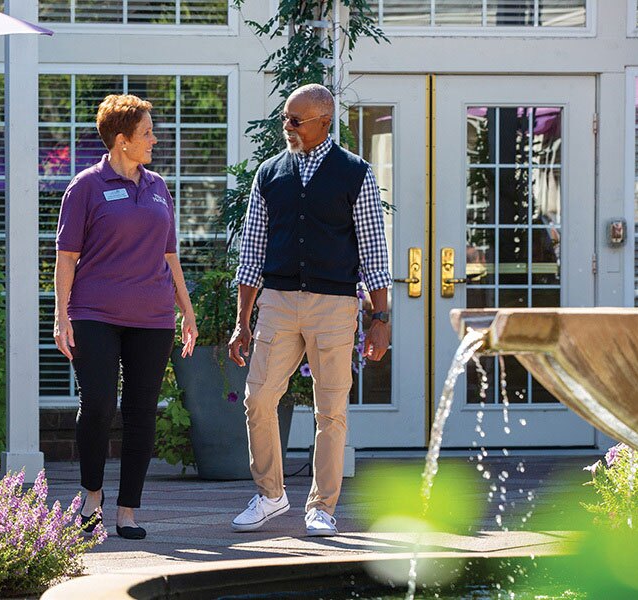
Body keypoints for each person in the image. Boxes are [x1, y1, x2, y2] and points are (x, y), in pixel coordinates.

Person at [228, 84, 392, 537]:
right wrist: (242, 320)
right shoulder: (269, 173)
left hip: (335, 305)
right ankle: (270, 495)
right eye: (285, 118)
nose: (287, 127)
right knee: (258, 398)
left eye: (296, 120)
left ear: (324, 122)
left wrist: (379, 318)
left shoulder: (355, 173)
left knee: (331, 410)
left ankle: (321, 505)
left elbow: (374, 251)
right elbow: (253, 251)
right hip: (277, 303)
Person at [53, 94, 198, 540]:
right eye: (147, 133)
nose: (155, 139)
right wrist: (61, 316)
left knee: (142, 412)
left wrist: (187, 313)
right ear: (122, 140)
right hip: (94, 312)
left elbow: (170, 255)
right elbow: (66, 257)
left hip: (152, 317)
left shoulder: (157, 186)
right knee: (98, 404)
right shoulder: (86, 187)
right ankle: (92, 496)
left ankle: (127, 511)